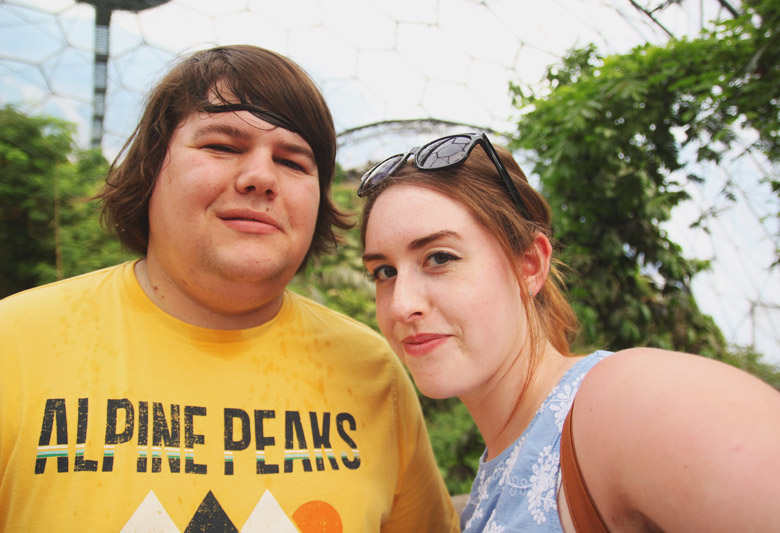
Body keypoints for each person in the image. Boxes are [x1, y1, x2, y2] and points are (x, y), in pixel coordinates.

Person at [0, 45, 459, 532]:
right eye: (222, 146)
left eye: (293, 161)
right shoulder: (16, 346)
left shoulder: (373, 373)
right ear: (153, 167)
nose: (260, 178)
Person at [358, 132, 780, 532]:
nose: (401, 304)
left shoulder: (622, 404)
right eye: (384, 271)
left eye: (439, 258)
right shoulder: (486, 489)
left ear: (528, 266)